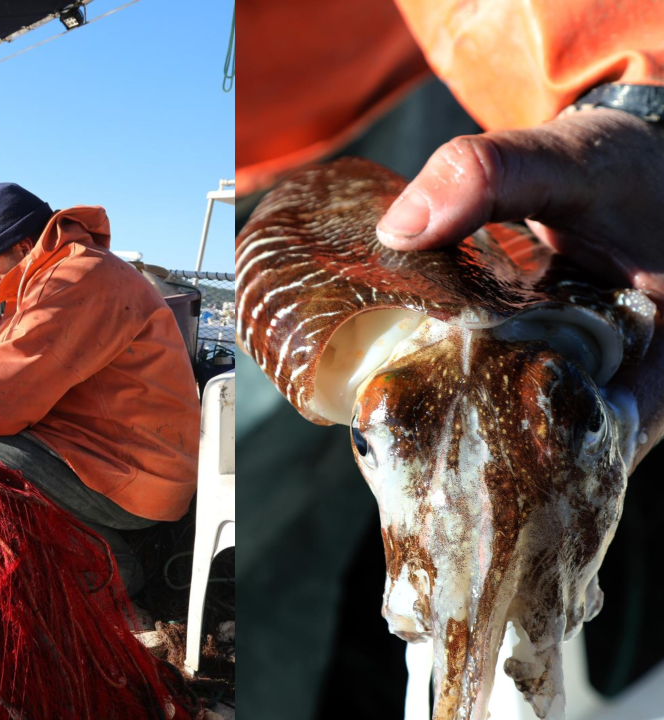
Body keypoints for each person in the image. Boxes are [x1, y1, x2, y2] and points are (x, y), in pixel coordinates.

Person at [238, 1, 664, 716]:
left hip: (430, 53)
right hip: (280, 134)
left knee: (290, 519)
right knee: (263, 526)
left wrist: (636, 88)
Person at [0, 182, 200, 602]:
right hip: (115, 460)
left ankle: (108, 567)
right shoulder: (63, 273)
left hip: (137, 480)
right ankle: (93, 538)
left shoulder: (71, 282)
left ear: (25, 244)